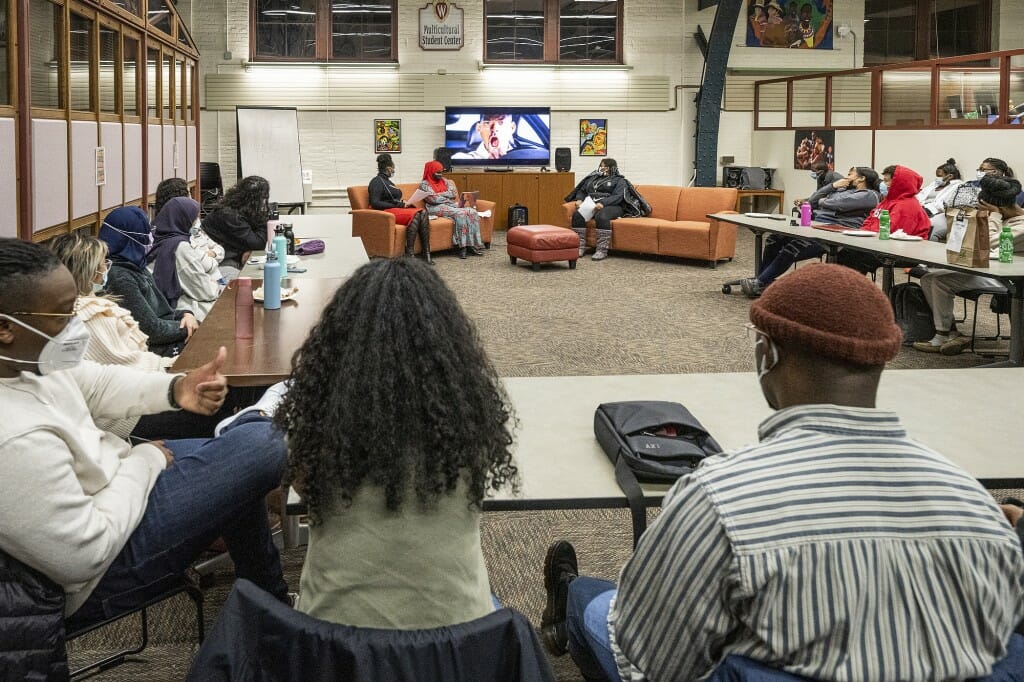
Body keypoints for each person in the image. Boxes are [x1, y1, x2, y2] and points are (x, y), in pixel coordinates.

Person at [540, 263, 1024, 681]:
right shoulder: (978, 506)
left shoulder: (717, 497)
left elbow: (652, 664)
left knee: (600, 605)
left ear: (766, 353)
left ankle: (569, 599)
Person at [0, 238, 291, 633]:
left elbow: (97, 382)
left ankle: (271, 608)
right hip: (101, 570)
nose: (74, 325)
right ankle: (255, 420)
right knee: (264, 444)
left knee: (240, 469)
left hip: (121, 488)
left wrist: (176, 389)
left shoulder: (27, 364)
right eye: (62, 315)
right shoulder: (12, 438)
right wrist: (145, 462)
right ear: (5, 328)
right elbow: (86, 553)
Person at [274, 258, 518, 628]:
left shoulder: (317, 422)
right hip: (456, 646)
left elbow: (301, 490)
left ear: (341, 341)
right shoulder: (469, 421)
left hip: (335, 644)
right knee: (490, 600)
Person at [913, 175, 1024, 356]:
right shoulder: (1001, 217)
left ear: (1001, 208)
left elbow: (988, 242)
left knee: (939, 281)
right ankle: (949, 333)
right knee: (930, 278)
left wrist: (993, 216)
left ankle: (943, 336)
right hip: (989, 271)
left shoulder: (1020, 225)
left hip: (1010, 279)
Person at [739, 166, 881, 297]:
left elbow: (837, 204)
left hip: (836, 233)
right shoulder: (844, 190)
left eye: (850, 174)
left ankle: (760, 282)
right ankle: (763, 281)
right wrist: (832, 186)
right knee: (775, 238)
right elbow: (812, 201)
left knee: (793, 247)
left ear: (862, 178)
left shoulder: (870, 195)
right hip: (818, 225)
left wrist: (824, 201)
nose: (846, 176)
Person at [100, 207, 197, 357]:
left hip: (167, 335)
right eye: (144, 232)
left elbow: (163, 311)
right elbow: (151, 330)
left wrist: (187, 314)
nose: (150, 238)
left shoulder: (135, 265)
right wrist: (188, 327)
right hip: (152, 350)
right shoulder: (119, 277)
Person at [836, 164, 931, 274]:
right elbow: (869, 220)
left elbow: (891, 233)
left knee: (852, 255)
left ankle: (852, 288)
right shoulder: (887, 201)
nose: (885, 184)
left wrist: (865, 240)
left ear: (899, 183)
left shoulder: (907, 206)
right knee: (843, 250)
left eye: (887, 181)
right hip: (878, 244)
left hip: (902, 252)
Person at [148, 197, 224, 322]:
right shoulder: (180, 247)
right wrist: (214, 284)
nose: (197, 222)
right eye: (195, 218)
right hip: (178, 308)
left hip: (163, 305)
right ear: (184, 218)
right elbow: (204, 290)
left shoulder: (157, 237)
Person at [202, 175, 271, 280]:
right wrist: (263, 216)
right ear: (256, 200)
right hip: (220, 263)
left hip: (229, 256)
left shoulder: (238, 207)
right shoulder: (229, 214)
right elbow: (258, 243)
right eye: (264, 198)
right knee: (253, 281)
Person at [368, 153, 432, 265]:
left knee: (423, 212)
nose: (393, 170)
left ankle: (426, 252)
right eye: (393, 168)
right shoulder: (376, 181)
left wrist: (403, 203)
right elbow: (375, 202)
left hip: (395, 209)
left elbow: (392, 199)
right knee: (416, 214)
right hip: (384, 212)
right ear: (388, 168)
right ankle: (410, 254)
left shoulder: (389, 182)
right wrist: (399, 205)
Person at [565, 159, 632, 261]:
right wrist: (579, 199)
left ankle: (602, 250)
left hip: (613, 206)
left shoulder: (619, 180)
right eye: (601, 166)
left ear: (612, 168)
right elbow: (583, 190)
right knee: (577, 215)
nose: (602, 168)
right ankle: (580, 247)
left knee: (601, 216)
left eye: (605, 166)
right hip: (591, 204)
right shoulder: (593, 179)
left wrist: (603, 203)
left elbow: (618, 196)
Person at [420, 160, 483, 260]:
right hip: (434, 208)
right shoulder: (424, 184)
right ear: (430, 172)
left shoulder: (445, 181)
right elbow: (433, 199)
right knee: (461, 213)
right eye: (437, 172)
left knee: (472, 211)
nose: (440, 175)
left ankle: (472, 244)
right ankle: (462, 247)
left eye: (441, 172)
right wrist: (446, 195)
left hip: (450, 205)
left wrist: (440, 195)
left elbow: (453, 194)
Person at [450, 113, 547, 161]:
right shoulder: (462, 158)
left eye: (501, 122)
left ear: (512, 128)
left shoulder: (529, 154)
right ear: (479, 128)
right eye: (487, 123)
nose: (494, 128)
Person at [916, 158, 964, 240]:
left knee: (924, 224)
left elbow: (945, 204)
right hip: (921, 209)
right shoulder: (934, 184)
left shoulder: (958, 186)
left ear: (950, 176)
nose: (937, 178)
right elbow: (920, 195)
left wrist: (928, 208)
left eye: (939, 176)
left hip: (938, 213)